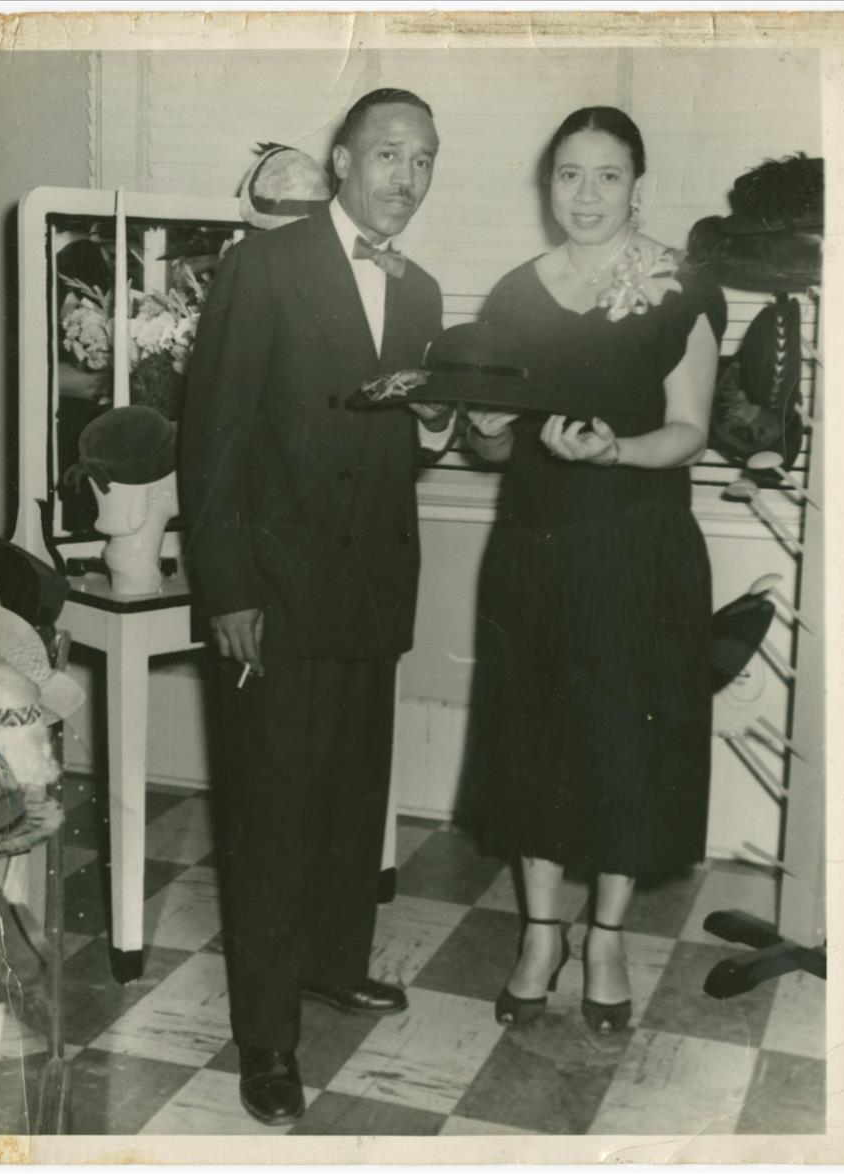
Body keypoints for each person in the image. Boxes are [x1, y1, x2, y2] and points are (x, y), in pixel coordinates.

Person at [180, 89, 451, 1124]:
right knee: (274, 818)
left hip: (372, 589)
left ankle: (336, 965)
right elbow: (211, 439)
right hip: (276, 594)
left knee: (351, 798)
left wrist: (441, 426)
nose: (405, 177)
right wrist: (230, 590)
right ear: (342, 160)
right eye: (388, 154)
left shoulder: (421, 291)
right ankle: (266, 1037)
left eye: (423, 160)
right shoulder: (264, 266)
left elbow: (395, 446)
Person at [464, 107, 725, 1032]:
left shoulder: (683, 289)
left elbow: (690, 430)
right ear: (549, 185)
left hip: (638, 548)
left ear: (637, 186)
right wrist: (485, 429)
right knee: (533, 739)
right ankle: (541, 934)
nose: (586, 195)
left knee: (624, 746)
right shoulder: (512, 296)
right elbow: (492, 447)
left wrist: (616, 452)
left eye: (607, 175)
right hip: (534, 548)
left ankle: (605, 937)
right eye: (569, 174)